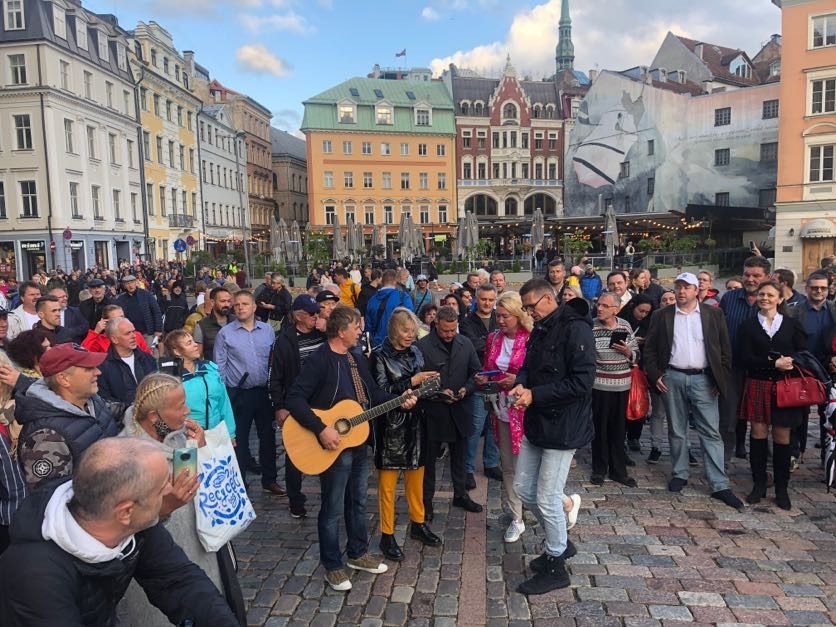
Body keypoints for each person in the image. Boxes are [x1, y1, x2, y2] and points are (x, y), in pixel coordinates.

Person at [0, 437, 241, 626]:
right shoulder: (35, 574)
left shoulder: (136, 524)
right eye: (160, 488)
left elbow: (179, 581)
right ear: (125, 512)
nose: (170, 490)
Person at [285, 305, 415, 591]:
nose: (360, 331)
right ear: (342, 330)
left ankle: (357, 553)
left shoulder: (355, 358)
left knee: (357, 501)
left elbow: (373, 394)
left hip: (356, 441)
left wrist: (401, 397)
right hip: (331, 443)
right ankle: (332, 565)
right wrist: (321, 428)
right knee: (331, 507)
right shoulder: (320, 360)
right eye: (357, 327)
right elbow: (294, 398)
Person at [119, 374, 245, 625]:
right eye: (179, 407)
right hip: (165, 574)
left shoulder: (175, 434)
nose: (188, 411)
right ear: (154, 416)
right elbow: (127, 527)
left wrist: (198, 446)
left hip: (202, 553)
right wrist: (164, 508)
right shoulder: (127, 457)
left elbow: (197, 483)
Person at [509, 279, 596, 595]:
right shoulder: (541, 328)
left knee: (546, 496)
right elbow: (528, 367)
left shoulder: (577, 329)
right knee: (523, 487)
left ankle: (556, 561)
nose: (528, 312)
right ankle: (560, 538)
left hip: (565, 425)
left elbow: (582, 383)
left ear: (548, 298)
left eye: (531, 306)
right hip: (539, 421)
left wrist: (535, 394)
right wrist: (521, 383)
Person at [643, 273, 744, 510]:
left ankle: (719, 483)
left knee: (710, 432)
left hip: (704, 378)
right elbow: (649, 348)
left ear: (698, 290)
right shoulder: (662, 315)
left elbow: (725, 350)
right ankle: (680, 472)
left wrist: (720, 379)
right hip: (673, 376)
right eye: (678, 287)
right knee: (677, 429)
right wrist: (656, 374)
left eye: (686, 287)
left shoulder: (713, 314)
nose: (681, 291)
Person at [371, 308, 441, 561]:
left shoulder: (416, 351)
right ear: (393, 330)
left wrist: (433, 386)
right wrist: (411, 382)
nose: (410, 335)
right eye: (405, 330)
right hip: (390, 426)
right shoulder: (379, 355)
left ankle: (418, 523)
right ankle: (386, 535)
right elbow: (379, 391)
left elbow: (422, 386)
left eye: (413, 331)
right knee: (387, 487)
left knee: (416, 480)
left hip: (416, 423)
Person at [737, 279, 807, 510]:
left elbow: (802, 352)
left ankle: (781, 488)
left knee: (782, 437)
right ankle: (758, 484)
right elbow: (744, 358)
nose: (764, 298)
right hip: (758, 383)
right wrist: (772, 363)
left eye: (769, 295)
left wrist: (789, 362)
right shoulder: (748, 325)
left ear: (780, 298)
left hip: (784, 386)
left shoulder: (791, 324)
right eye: (761, 295)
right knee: (757, 433)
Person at [15, 342, 119, 488]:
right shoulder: (45, 435)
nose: (98, 372)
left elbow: (124, 412)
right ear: (64, 379)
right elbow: (52, 496)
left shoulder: (91, 400)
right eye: (89, 368)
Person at [214, 291, 284, 496]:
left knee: (268, 437)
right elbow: (220, 366)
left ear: (254, 307)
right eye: (236, 305)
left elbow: (273, 360)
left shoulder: (267, 331)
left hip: (264, 392)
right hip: (240, 394)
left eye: (245, 304)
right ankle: (240, 482)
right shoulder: (225, 333)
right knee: (240, 440)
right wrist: (228, 393)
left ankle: (270, 480)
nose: (240, 308)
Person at [418, 306, 483, 518]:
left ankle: (460, 493)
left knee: (460, 456)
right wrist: (437, 391)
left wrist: (467, 388)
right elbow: (417, 380)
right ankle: (426, 501)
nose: (449, 334)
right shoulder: (422, 346)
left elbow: (476, 372)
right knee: (429, 460)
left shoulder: (465, 343)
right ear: (436, 325)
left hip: (460, 408)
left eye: (453, 330)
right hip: (433, 412)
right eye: (445, 330)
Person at [268, 294, 326, 519]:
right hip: (296, 403)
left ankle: (329, 494)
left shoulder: (323, 333)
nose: (316, 317)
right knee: (295, 455)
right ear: (299, 316)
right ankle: (296, 499)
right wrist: (279, 405)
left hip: (323, 403)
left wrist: (327, 326)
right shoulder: (285, 340)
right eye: (312, 314)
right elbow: (274, 376)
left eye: (317, 313)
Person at [719, 256, 771, 461]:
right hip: (732, 368)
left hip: (763, 370)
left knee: (763, 418)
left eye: (756, 275)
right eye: (747, 274)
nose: (750, 279)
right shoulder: (729, 298)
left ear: (767, 276)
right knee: (728, 418)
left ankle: (764, 463)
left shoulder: (772, 300)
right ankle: (723, 461)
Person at [786, 270, 836, 465]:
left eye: (823, 288)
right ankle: (794, 453)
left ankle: (828, 457)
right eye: (814, 288)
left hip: (828, 370)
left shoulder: (834, 310)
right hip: (801, 370)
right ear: (806, 288)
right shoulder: (793, 311)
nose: (818, 291)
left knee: (830, 415)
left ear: (828, 289)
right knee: (798, 416)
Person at [589, 292, 639, 487]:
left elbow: (636, 353)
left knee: (618, 430)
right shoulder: (591, 326)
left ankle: (618, 470)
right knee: (599, 428)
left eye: (604, 305)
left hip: (621, 385)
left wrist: (628, 352)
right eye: (598, 304)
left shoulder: (624, 325)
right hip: (599, 385)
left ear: (615, 309)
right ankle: (599, 469)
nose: (599, 308)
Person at [460, 284, 501, 486]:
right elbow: (472, 344)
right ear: (477, 299)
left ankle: (491, 463)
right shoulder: (467, 321)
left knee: (494, 427)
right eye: (483, 299)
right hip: (477, 379)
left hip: (497, 381)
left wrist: (486, 342)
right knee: (475, 427)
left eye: (491, 300)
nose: (487, 303)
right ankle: (467, 468)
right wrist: (494, 342)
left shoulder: (498, 318)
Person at [163, 330, 236, 439]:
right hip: (188, 437)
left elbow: (223, 402)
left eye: (193, 341)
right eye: (189, 343)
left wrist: (230, 433)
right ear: (177, 351)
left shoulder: (210, 369)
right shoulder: (170, 379)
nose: (195, 345)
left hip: (217, 435)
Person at [619, 294, 656, 453]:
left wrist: (645, 341)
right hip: (622, 368)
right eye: (641, 310)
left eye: (646, 312)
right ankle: (621, 435)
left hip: (640, 368)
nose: (643, 315)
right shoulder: (622, 321)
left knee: (639, 403)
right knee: (622, 406)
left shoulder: (650, 323)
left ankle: (635, 436)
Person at [97, 317, 157, 405]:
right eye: (128, 333)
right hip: (123, 416)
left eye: (133, 331)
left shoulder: (147, 358)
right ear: (114, 339)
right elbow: (105, 400)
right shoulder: (103, 366)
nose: (134, 336)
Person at [365, 270, 413, 347]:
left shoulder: (371, 300)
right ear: (395, 281)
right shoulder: (403, 297)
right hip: (397, 345)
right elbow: (410, 320)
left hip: (376, 345)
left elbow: (368, 327)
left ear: (382, 282)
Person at [81, 304, 150, 354]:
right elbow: (84, 354)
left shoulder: (136, 335)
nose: (122, 320)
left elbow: (148, 356)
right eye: (117, 319)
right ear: (106, 322)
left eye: (123, 317)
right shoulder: (100, 341)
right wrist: (95, 332)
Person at [116, 275, 163, 349]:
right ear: (124, 286)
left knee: (151, 353)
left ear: (136, 283)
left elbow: (156, 312)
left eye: (132, 282)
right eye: (127, 283)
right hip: (131, 333)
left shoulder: (146, 294)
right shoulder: (120, 299)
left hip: (148, 332)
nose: (130, 285)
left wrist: (158, 329)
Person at [194, 286, 233, 360]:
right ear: (212, 302)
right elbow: (198, 355)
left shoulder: (236, 321)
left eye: (228, 301)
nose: (226, 304)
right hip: (213, 369)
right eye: (223, 301)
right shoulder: (202, 326)